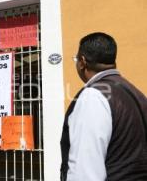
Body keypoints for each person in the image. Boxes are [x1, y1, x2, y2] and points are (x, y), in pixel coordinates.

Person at [60, 32, 147, 181]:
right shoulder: (135, 92)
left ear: (82, 62)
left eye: (76, 59)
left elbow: (85, 171)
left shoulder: (93, 96)